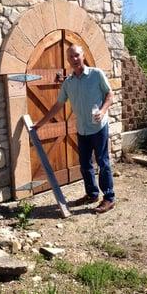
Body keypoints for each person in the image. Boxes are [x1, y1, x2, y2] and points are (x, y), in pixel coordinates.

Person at [34, 44, 115, 214]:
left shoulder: (96, 74)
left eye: (77, 55)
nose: (74, 59)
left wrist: (102, 110)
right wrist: (41, 123)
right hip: (82, 129)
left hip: (99, 127)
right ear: (68, 60)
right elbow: (58, 105)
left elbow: (110, 94)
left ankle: (108, 198)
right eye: (71, 57)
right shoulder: (68, 83)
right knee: (85, 164)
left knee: (102, 162)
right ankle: (92, 194)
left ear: (83, 55)